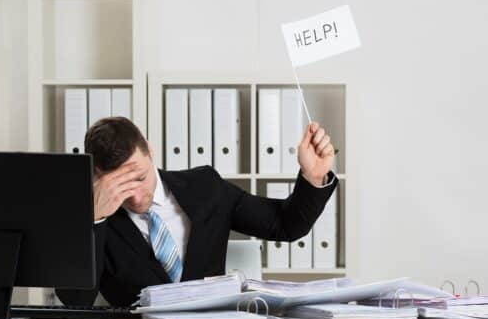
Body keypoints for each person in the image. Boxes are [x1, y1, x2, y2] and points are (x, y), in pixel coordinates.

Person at [56, 117, 338, 306]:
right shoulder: (92, 218)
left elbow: (285, 225)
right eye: (120, 186)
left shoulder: (205, 186)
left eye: (140, 178)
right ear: (97, 176)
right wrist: (94, 218)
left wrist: (313, 177)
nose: (136, 196)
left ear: (150, 152)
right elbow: (74, 300)